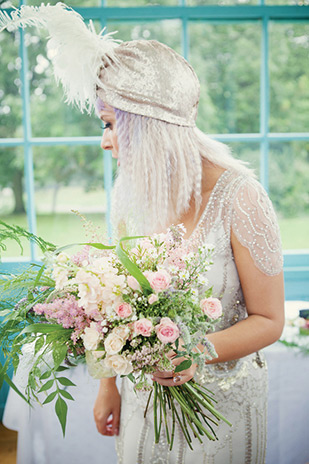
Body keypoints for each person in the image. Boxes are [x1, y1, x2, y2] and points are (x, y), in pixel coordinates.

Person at [1, 4, 285, 463]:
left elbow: (270, 320)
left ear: (147, 124)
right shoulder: (128, 197)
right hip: (143, 405)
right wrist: (108, 386)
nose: (104, 140)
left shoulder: (241, 197)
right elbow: (113, 305)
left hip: (222, 411)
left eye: (111, 124)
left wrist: (198, 351)